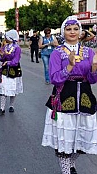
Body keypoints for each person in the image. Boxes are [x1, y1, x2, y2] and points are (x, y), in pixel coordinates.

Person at [41, 16, 97, 174]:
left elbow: (92, 80)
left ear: (80, 32)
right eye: (68, 29)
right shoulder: (57, 53)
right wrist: (70, 67)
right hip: (64, 98)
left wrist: (94, 67)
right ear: (63, 32)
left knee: (82, 140)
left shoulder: (89, 51)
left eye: (75, 29)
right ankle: (66, 170)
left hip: (85, 100)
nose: (72, 32)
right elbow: (55, 78)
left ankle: (71, 164)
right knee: (64, 143)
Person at [0, 29, 23, 115]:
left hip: (14, 71)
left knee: (13, 89)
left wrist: (8, 62)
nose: (5, 38)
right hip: (5, 71)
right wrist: (1, 56)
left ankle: (11, 105)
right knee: (3, 89)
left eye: (6, 37)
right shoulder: (5, 47)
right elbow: (2, 58)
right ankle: (2, 108)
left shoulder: (17, 48)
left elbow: (16, 61)